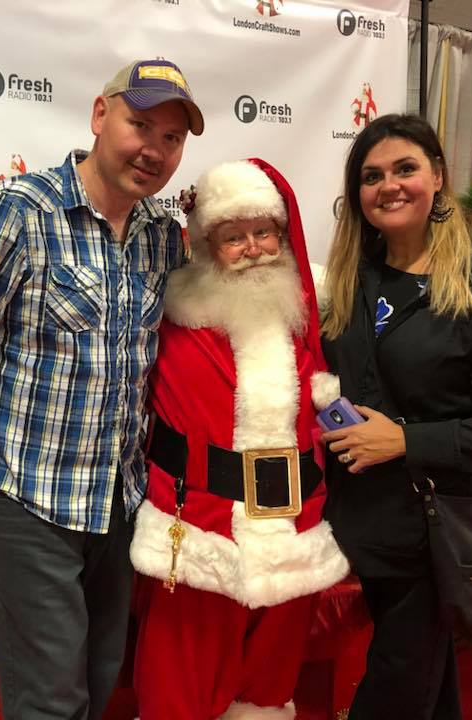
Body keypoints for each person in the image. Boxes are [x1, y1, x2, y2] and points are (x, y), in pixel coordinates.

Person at [0, 58, 203, 719]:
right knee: (49, 701)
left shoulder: (163, 237)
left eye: (172, 139)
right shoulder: (20, 210)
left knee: (99, 683)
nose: (153, 150)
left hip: (120, 499)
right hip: (29, 496)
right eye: (140, 125)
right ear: (100, 116)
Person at [318, 114, 472, 720]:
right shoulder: (353, 277)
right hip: (365, 524)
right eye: (371, 175)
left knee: (396, 686)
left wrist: (406, 441)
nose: (389, 186)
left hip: (438, 528)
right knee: (422, 678)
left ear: (439, 177)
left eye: (405, 168)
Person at [129, 159, 350, 719]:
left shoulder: (314, 314)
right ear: (208, 244)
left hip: (294, 525)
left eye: (262, 232)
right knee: (179, 674)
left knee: (270, 681)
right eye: (233, 237)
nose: (252, 247)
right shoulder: (171, 314)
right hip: (198, 526)